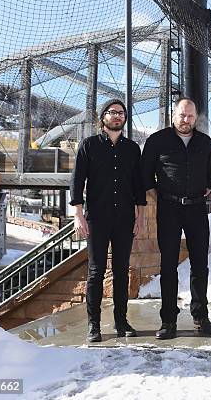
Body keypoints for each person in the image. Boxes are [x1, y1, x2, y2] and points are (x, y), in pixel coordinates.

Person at [141, 97, 211, 340]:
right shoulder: (157, 140)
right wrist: (162, 195)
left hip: (196, 209)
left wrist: (205, 187)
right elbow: (145, 174)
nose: (186, 120)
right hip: (169, 208)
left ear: (196, 118)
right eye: (182, 115)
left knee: (200, 265)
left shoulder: (205, 142)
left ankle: (200, 317)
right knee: (168, 265)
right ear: (173, 115)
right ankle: (168, 320)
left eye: (190, 116)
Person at [70, 98, 147, 343]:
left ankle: (121, 321)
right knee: (96, 272)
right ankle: (93, 325)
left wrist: (140, 216)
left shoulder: (132, 149)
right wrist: (78, 214)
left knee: (122, 270)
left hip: (125, 219)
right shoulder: (88, 145)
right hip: (97, 219)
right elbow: (77, 181)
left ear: (125, 119)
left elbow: (138, 186)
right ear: (103, 117)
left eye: (121, 113)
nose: (117, 116)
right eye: (112, 112)